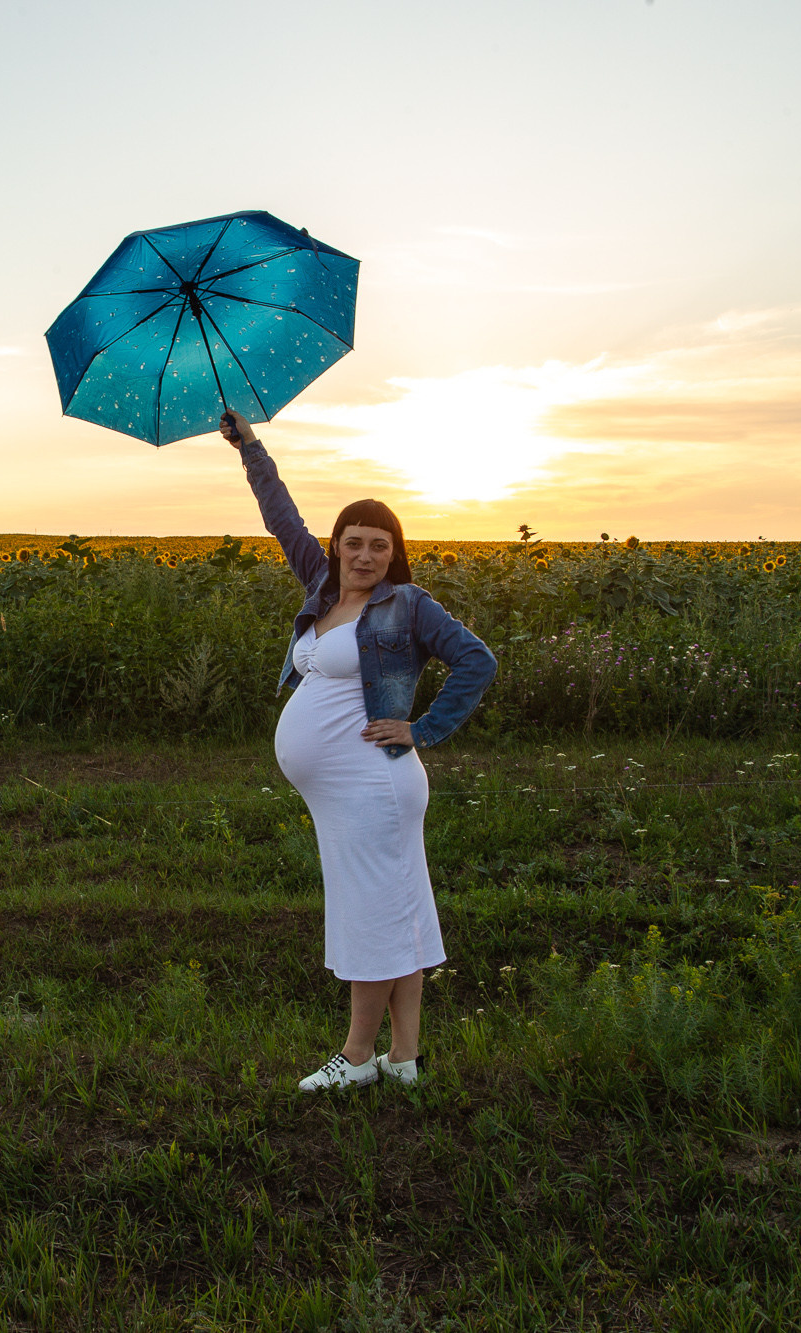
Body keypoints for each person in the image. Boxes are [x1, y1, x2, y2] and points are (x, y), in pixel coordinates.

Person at [220, 409, 496, 1091]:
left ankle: (357, 1056)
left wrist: (423, 728)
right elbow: (281, 516)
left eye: (379, 543)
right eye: (353, 542)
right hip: (345, 790)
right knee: (396, 911)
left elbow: (477, 661)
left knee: (371, 917)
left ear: (394, 549)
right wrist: (250, 446)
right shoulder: (320, 586)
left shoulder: (407, 603)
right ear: (337, 545)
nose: (364, 555)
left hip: (376, 784)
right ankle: (404, 1057)